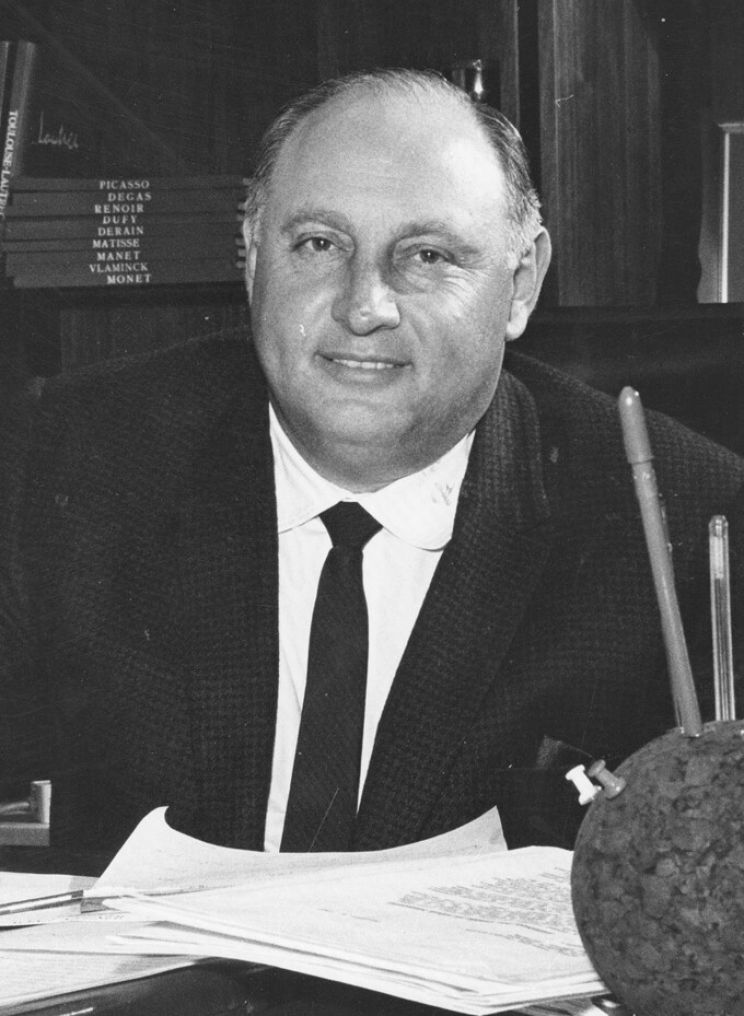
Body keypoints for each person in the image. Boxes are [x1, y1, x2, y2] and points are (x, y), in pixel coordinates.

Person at [1, 69, 743, 869]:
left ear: (520, 284)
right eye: (319, 244)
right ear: (251, 258)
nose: (364, 307)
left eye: (426, 255)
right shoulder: (64, 463)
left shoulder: (688, 525)